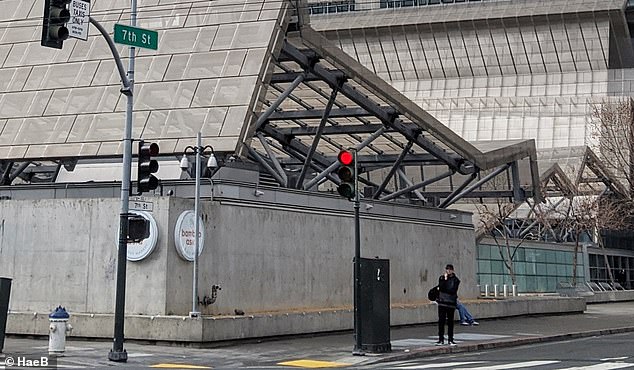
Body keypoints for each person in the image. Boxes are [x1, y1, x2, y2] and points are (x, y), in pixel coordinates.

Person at [436, 264, 460, 346]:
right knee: (441, 321)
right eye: (447, 269)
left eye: (450, 269)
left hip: (450, 303)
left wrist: (444, 288)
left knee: (450, 322)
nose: (448, 271)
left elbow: (452, 290)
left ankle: (450, 339)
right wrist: (445, 280)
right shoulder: (442, 278)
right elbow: (441, 287)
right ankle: (441, 339)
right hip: (442, 302)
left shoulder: (456, 280)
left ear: (453, 270)